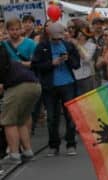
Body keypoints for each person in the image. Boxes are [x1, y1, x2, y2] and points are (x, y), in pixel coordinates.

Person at [31, 22, 80, 157]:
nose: (58, 40)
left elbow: (77, 65)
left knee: (70, 116)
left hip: (68, 84)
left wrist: (68, 58)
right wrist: (52, 63)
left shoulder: (69, 45)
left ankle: (70, 144)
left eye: (60, 38)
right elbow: (35, 66)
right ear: (49, 35)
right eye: (55, 38)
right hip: (49, 86)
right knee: (52, 117)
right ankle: (53, 145)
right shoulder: (42, 46)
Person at [0, 34, 41, 169]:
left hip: (18, 85)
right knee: (21, 120)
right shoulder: (4, 51)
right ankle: (28, 152)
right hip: (34, 84)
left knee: (8, 121)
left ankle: (14, 155)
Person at [71, 23, 97, 93]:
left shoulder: (92, 45)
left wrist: (78, 46)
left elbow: (86, 59)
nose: (80, 36)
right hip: (73, 77)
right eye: (78, 34)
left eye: (82, 34)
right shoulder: (71, 44)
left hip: (86, 77)